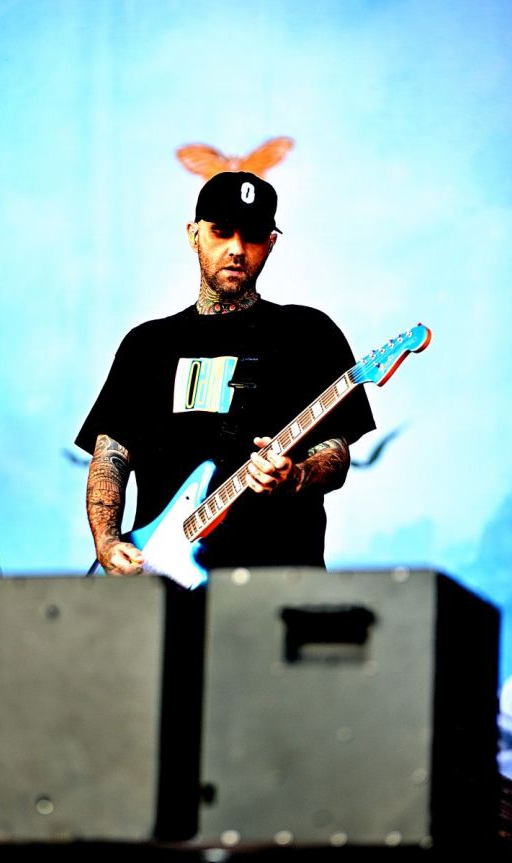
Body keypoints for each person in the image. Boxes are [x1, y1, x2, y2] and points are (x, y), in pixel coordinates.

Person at [76, 171, 376, 578]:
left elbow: (334, 453)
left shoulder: (309, 333)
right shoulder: (146, 345)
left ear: (271, 244)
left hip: (277, 582)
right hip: (161, 580)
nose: (236, 249)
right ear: (193, 234)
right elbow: (111, 455)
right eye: (221, 231)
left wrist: (295, 476)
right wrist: (108, 542)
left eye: (252, 235)